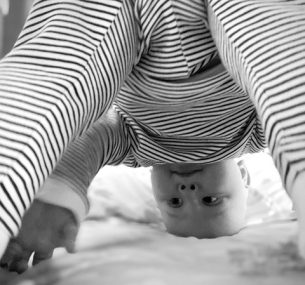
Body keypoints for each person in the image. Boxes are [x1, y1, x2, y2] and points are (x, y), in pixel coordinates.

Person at [0, 0, 305, 273]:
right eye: (210, 200)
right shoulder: (251, 134)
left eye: (174, 202)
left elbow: (93, 139)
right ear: (243, 176)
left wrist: (59, 191)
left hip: (126, 19)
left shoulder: (136, 142)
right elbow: (278, 112)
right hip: (227, 33)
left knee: (54, 76)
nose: (188, 189)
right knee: (278, 52)